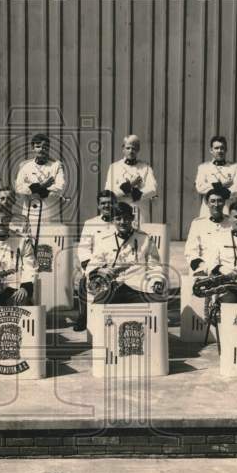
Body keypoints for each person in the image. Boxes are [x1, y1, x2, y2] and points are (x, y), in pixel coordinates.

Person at [84, 202, 165, 306]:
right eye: (118, 219)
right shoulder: (104, 240)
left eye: (126, 218)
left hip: (137, 287)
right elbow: (93, 264)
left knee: (158, 302)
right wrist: (101, 270)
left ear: (132, 218)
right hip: (112, 287)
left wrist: (157, 280)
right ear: (113, 220)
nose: (122, 222)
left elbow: (154, 265)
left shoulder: (144, 239)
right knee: (98, 304)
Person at [72, 190, 117, 330]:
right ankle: (83, 316)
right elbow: (84, 248)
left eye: (110, 203)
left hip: (116, 266)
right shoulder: (90, 223)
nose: (107, 206)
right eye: (103, 203)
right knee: (83, 282)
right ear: (98, 206)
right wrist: (90, 267)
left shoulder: (120, 221)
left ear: (115, 204)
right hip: (96, 265)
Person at [14, 133, 67, 227]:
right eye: (38, 146)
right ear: (33, 148)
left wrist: (33, 190)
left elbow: (60, 186)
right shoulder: (26, 166)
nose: (42, 150)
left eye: (45, 147)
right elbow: (19, 187)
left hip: (49, 212)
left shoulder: (56, 165)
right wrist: (41, 186)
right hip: (29, 212)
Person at [103, 134, 158, 225]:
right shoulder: (114, 167)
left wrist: (135, 195)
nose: (131, 151)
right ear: (123, 149)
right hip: (120, 212)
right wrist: (129, 186)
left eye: (134, 148)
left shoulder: (145, 167)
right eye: (128, 148)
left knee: (140, 237)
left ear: (138, 150)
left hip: (139, 212)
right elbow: (109, 191)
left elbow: (153, 189)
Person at [184, 185, 232, 273]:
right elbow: (190, 251)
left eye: (220, 201)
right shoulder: (198, 224)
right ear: (207, 203)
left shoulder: (231, 223)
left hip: (226, 271)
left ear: (224, 202)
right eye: (213, 201)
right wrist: (202, 266)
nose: (216, 205)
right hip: (203, 271)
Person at [194, 135, 237, 216]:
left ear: (226, 150)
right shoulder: (203, 167)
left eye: (222, 148)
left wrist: (215, 189)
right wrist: (222, 185)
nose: (219, 151)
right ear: (211, 150)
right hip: (208, 210)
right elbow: (200, 187)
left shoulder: (234, 167)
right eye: (216, 148)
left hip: (227, 208)